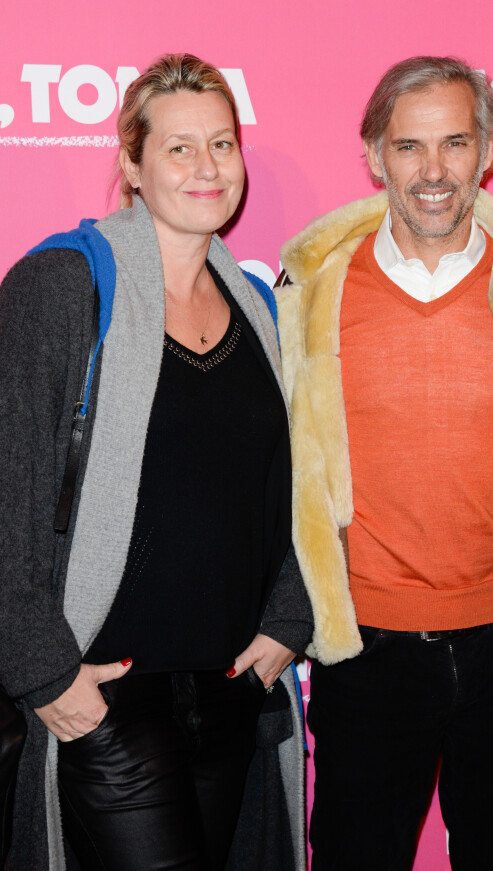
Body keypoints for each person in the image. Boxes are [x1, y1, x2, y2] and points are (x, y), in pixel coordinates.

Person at [0, 53, 312, 871]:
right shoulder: (63, 287)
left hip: (233, 690)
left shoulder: (261, 308)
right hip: (107, 696)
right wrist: (43, 671)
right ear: (131, 166)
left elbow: (302, 489)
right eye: (178, 148)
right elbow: (9, 487)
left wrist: (292, 615)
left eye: (221, 144)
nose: (206, 168)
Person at [275, 56, 493, 871]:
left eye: (456, 142)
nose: (434, 171)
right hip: (364, 653)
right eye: (408, 147)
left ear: (490, 150)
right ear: (374, 155)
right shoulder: (310, 289)